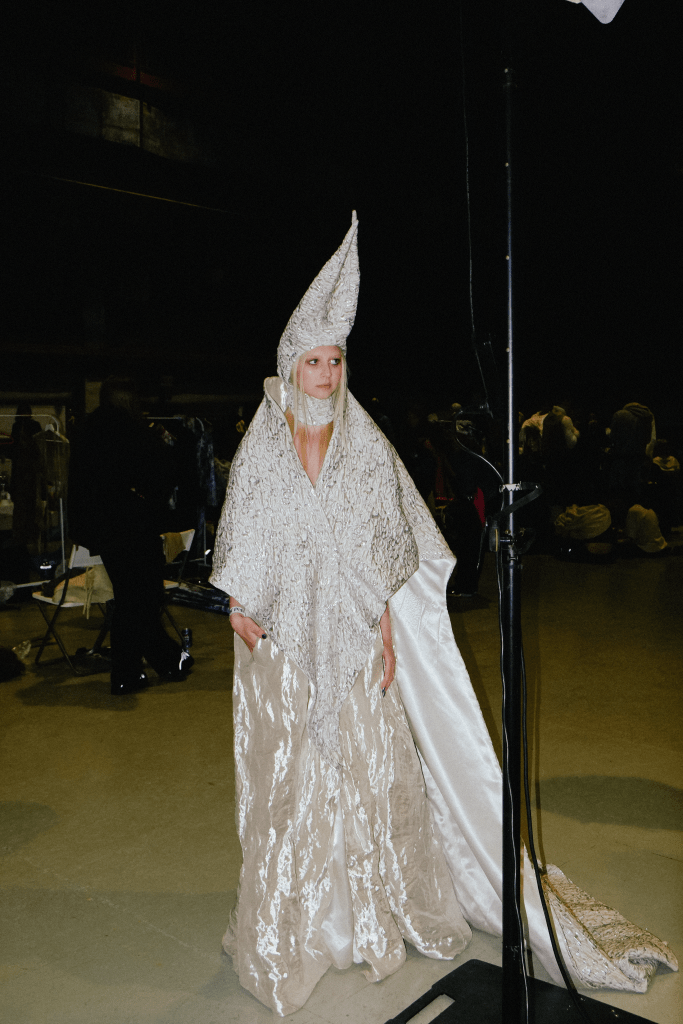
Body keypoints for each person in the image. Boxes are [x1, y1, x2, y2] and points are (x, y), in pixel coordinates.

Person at [210, 214, 677, 1016]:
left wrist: (390, 632)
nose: (325, 373)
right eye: (313, 360)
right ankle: (303, 924)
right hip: (281, 641)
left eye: (334, 359)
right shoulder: (263, 443)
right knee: (294, 779)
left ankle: (372, 914)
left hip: (359, 635)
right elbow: (243, 530)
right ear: (289, 365)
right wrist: (237, 604)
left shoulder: (364, 443)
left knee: (368, 777)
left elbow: (391, 545)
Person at [68, 377, 192, 695]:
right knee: (140, 598)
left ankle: (167, 660)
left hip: (102, 528)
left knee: (133, 597)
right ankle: (128, 672)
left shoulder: (87, 430)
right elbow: (161, 471)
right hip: (131, 525)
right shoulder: (130, 430)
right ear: (127, 401)